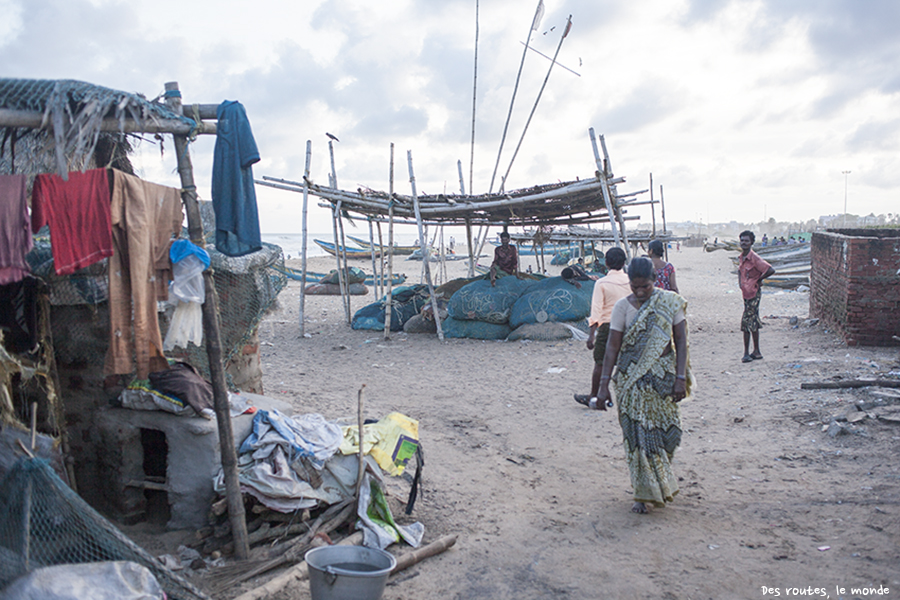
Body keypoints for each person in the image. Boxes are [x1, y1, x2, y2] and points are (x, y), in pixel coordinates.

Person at [593, 257, 691, 514]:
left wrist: (681, 378)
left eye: (645, 287)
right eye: (634, 286)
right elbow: (613, 346)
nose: (639, 292)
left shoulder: (669, 302)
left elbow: (680, 342)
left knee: (669, 434)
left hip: (663, 379)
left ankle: (657, 481)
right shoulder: (622, 308)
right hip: (630, 381)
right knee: (637, 437)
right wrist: (603, 385)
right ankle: (642, 493)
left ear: (654, 281)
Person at [574, 247, 629, 408]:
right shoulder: (630, 281)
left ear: (606, 263)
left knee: (600, 362)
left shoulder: (602, 282)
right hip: (627, 325)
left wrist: (591, 335)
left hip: (608, 327)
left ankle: (594, 394)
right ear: (624, 262)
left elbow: (596, 310)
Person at [738, 230, 775, 363]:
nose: (744, 243)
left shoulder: (754, 258)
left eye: (746, 241)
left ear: (752, 242)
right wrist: (741, 284)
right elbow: (740, 271)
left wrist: (758, 280)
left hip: (753, 292)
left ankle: (746, 353)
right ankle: (757, 351)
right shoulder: (742, 257)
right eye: (742, 240)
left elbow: (770, 269)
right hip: (746, 293)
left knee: (746, 323)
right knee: (753, 321)